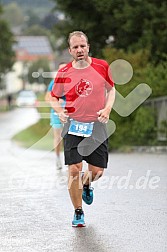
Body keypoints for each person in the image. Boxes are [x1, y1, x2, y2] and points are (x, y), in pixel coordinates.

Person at [51, 31, 115, 227]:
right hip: (73, 125)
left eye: (82, 46)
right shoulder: (64, 73)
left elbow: (111, 89)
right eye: (75, 47)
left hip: (96, 125)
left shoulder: (101, 66)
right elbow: (54, 97)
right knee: (74, 169)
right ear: (70, 51)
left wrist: (107, 108)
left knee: (97, 171)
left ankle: (87, 184)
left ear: (88, 47)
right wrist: (60, 111)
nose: (79, 50)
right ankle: (78, 212)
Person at [45, 63, 67, 169]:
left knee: (69, 137)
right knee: (58, 137)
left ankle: (70, 160)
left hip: (69, 112)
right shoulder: (53, 83)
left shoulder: (73, 82)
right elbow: (47, 98)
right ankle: (58, 158)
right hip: (56, 112)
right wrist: (57, 101)